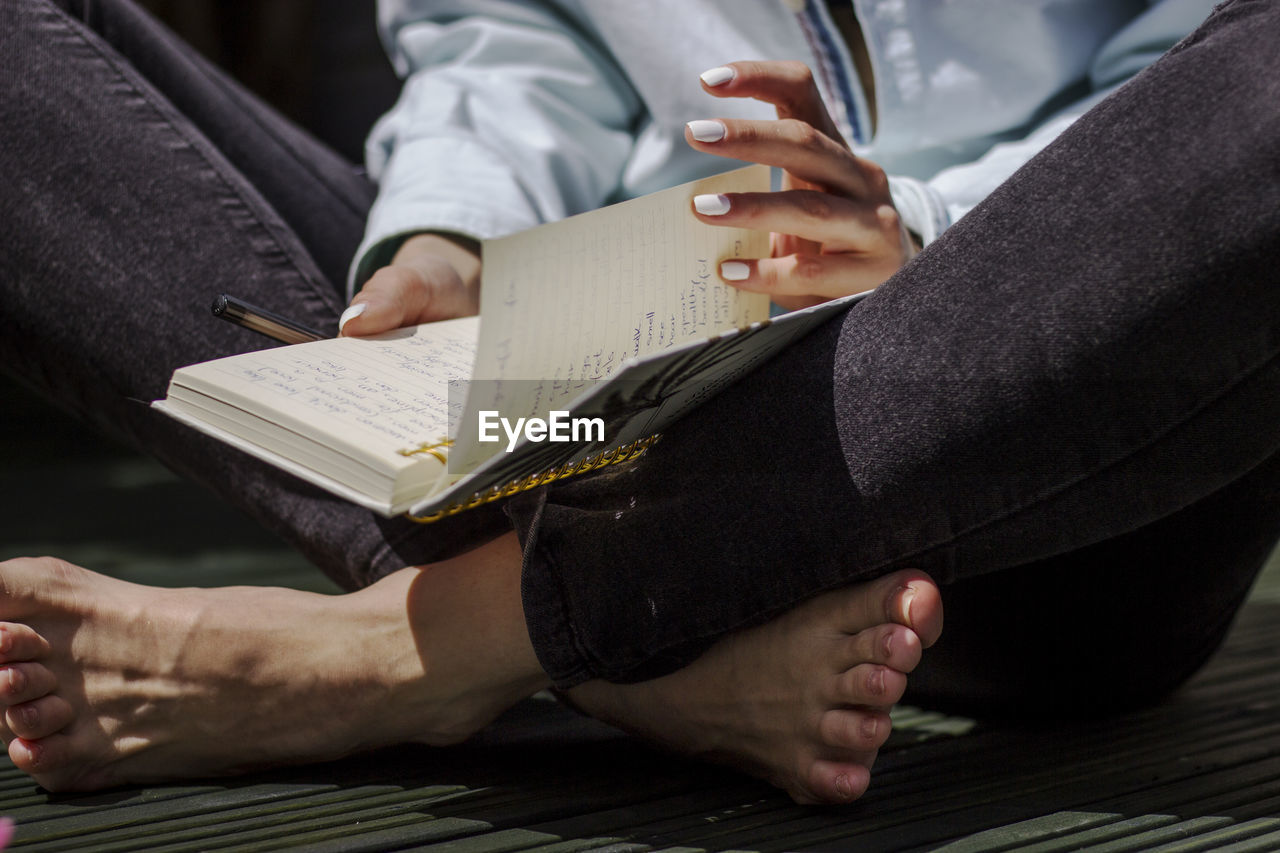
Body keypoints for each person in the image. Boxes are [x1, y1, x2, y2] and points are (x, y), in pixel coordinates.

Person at [0, 0, 1276, 806]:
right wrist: (454, 234)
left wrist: (929, 236)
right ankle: (634, 651)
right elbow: (509, 33)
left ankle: (431, 640)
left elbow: (1198, 76)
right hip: (601, 377)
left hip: (1025, 498)